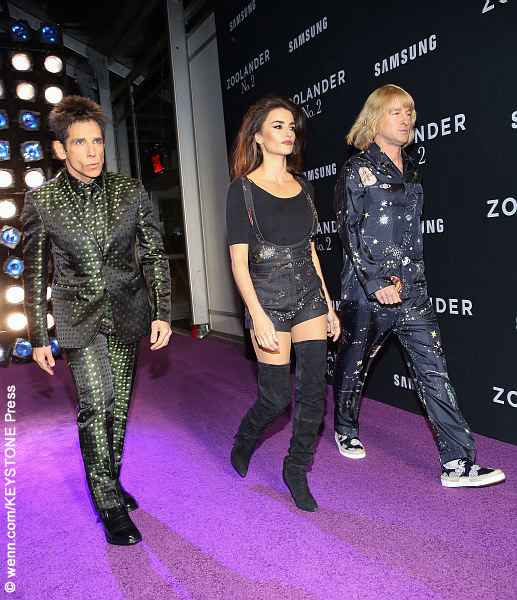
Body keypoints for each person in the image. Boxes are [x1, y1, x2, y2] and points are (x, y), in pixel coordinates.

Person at [332, 84, 504, 487]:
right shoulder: (358, 169)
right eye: (396, 112)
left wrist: (411, 282)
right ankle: (344, 426)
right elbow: (348, 231)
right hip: (367, 292)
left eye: (410, 111)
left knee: (435, 372)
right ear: (375, 119)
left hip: (413, 292)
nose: (407, 118)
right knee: (353, 369)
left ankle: (458, 464)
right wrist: (375, 282)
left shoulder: (411, 170)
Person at [22, 96, 172, 544]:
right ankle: (107, 502)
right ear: (60, 150)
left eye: (98, 142)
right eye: (80, 143)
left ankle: (110, 478)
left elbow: (153, 253)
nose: (92, 152)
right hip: (76, 315)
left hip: (127, 311)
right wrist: (38, 335)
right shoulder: (42, 201)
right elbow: (34, 273)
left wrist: (162, 310)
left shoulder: (130, 192)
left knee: (120, 407)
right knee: (97, 402)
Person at [226, 95, 340, 512]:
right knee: (275, 398)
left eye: (291, 126)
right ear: (257, 135)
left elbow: (309, 250)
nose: (288, 133)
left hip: (309, 295)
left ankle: (296, 467)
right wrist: (256, 316)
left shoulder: (304, 186)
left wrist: (327, 305)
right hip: (267, 301)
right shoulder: (242, 191)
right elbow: (239, 260)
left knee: (313, 392)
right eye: (278, 126)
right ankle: (246, 436)